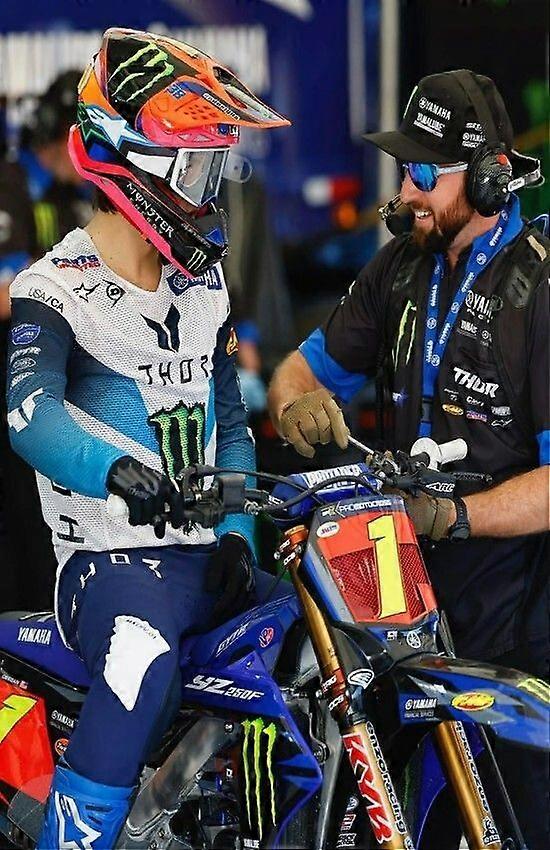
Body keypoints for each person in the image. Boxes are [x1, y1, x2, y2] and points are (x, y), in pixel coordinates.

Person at [6, 27, 289, 849]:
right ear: (125, 164)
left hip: (204, 560)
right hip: (106, 565)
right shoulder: (53, 287)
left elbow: (230, 427)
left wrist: (236, 535)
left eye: (211, 170)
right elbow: (28, 416)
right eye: (192, 170)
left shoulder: (204, 284)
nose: (207, 193)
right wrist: (120, 471)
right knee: (143, 660)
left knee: (314, 636)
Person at [268, 70, 549, 848]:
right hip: (393, 620)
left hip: (511, 632)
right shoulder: (398, 266)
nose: (406, 190)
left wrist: (449, 515)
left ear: (490, 176)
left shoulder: (541, 285)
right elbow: (298, 370)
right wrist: (294, 405)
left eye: (425, 171)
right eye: (404, 168)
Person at [0, 70, 91, 612]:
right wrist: (62, 285)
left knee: (42, 522)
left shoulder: (67, 195)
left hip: (50, 380)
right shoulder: (8, 183)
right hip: (13, 377)